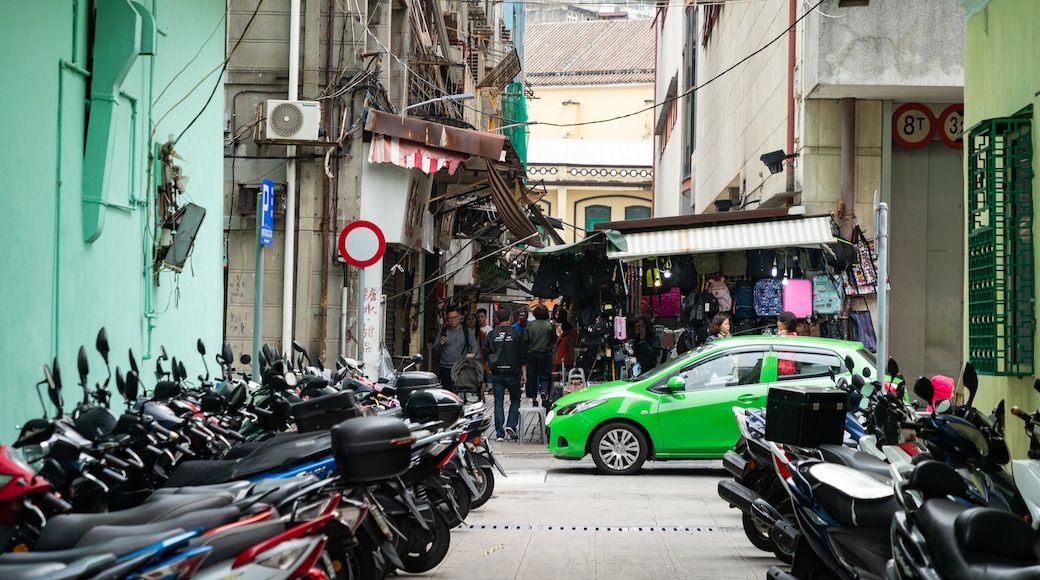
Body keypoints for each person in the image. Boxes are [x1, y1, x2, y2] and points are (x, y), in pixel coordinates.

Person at [484, 309, 527, 441]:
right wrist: (524, 373)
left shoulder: (491, 334)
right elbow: (523, 355)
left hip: (497, 373)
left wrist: (490, 367)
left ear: (497, 318)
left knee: (498, 402)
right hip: (513, 373)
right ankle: (511, 425)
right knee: (515, 399)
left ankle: (499, 434)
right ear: (509, 318)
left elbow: (486, 352)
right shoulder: (516, 334)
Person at [432, 306, 480, 392]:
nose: (453, 320)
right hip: (445, 368)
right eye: (450, 318)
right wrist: (440, 344)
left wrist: (472, 354)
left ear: (459, 317)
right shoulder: (443, 332)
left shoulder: (466, 331)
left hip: (460, 368)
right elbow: (434, 349)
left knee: (460, 392)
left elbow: (475, 346)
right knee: (446, 393)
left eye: (455, 317)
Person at [524, 304, 556, 406]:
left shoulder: (530, 325)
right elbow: (554, 339)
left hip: (531, 354)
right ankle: (544, 391)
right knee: (545, 375)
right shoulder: (549, 325)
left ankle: (534, 399)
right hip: (545, 353)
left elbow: (525, 339)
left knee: (532, 376)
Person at [465, 312, 490, 400]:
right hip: (466, 359)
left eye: (473, 319)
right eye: (468, 319)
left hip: (479, 358)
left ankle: (481, 395)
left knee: (481, 378)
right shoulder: (463, 332)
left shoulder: (481, 333)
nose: (471, 321)